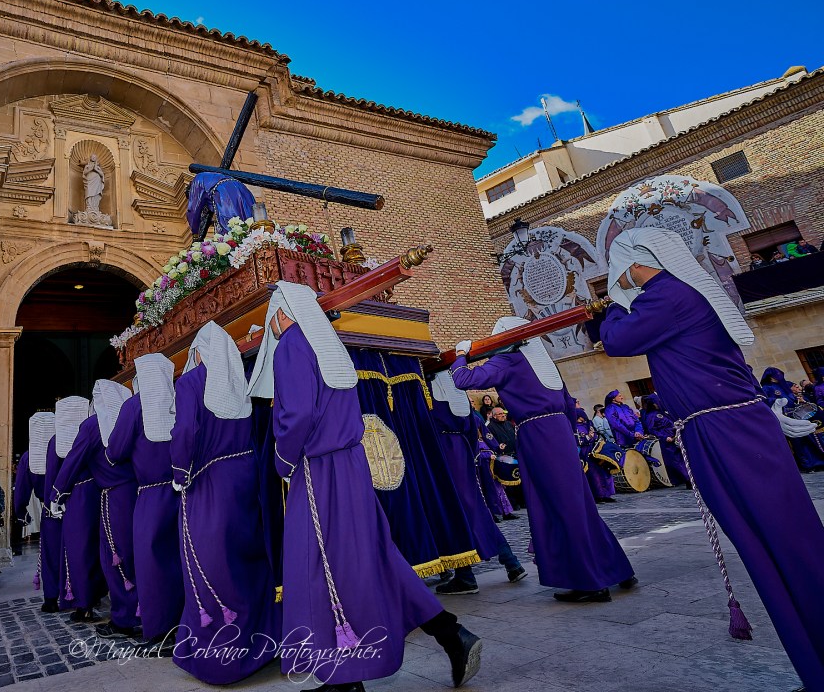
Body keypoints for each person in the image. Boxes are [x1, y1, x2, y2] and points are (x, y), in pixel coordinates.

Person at [599, 227, 824, 689]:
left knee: (778, 541)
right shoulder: (679, 292)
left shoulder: (662, 296)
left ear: (632, 263)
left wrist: (611, 309)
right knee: (772, 540)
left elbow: (618, 341)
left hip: (723, 430)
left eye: (617, 273)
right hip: (721, 426)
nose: (618, 281)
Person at [249, 283, 482, 689]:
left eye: (270, 320)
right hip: (351, 466)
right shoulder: (326, 344)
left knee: (323, 565)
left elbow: (298, 413)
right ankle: (450, 634)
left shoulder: (290, 343)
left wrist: (283, 460)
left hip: (318, 469)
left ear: (280, 314)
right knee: (373, 559)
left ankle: (344, 678)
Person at [452, 315, 635, 604]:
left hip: (537, 433)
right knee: (580, 504)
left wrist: (461, 355)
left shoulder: (507, 362)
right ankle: (618, 569)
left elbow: (463, 379)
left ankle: (590, 582)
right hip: (559, 429)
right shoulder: (543, 364)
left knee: (560, 506)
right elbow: (567, 403)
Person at [173, 321, 278, 684]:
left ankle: (220, 658)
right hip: (245, 478)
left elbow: (184, 431)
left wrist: (178, 471)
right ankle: (263, 644)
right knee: (248, 562)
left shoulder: (189, 382)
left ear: (198, 351)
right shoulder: (240, 382)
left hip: (209, 484)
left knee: (210, 565)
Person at [106, 353, 183, 646]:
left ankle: (159, 630)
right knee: (180, 558)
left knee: (151, 564)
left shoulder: (134, 406)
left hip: (151, 493)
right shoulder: (178, 398)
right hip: (181, 489)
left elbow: (115, 450)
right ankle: (183, 622)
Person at [429, 370, 527, 595]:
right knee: (476, 511)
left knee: (455, 513)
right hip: (463, 452)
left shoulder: (432, 395)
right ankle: (511, 562)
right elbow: (473, 426)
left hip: (444, 452)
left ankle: (465, 576)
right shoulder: (461, 399)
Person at [68, 379, 141, 640]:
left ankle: (124, 617)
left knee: (116, 558)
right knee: (137, 555)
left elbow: (73, 462)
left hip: (113, 496)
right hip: (138, 492)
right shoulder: (134, 415)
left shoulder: (91, 425)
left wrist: (57, 492)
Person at [50, 396, 105, 623]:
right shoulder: (104, 423)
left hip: (80, 494)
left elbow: (70, 463)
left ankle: (84, 603)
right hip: (102, 491)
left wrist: (56, 493)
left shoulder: (84, 430)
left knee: (80, 550)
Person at [24, 413, 62, 611]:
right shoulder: (64, 448)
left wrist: (21, 512)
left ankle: (51, 598)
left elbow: (23, 486)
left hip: (48, 510)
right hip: (69, 505)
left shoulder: (28, 456)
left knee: (51, 556)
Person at [761, 367, 824, 472]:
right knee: (798, 442)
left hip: (797, 415)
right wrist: (778, 401)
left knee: (809, 438)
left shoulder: (784, 386)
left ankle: (818, 461)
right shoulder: (767, 388)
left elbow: (792, 398)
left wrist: (798, 399)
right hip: (785, 417)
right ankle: (808, 464)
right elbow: (767, 401)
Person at [641, 395, 691, 488]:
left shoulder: (664, 412)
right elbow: (652, 429)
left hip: (676, 436)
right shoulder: (651, 415)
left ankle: (690, 478)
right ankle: (687, 480)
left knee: (684, 458)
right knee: (676, 461)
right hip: (667, 440)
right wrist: (664, 437)